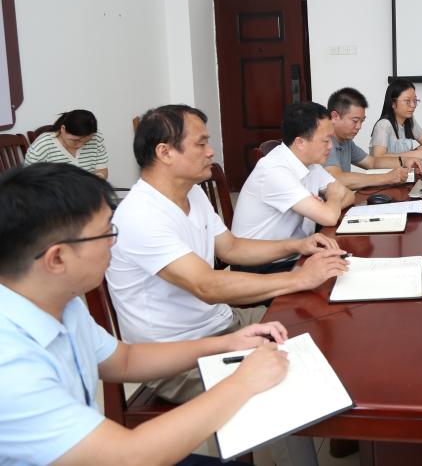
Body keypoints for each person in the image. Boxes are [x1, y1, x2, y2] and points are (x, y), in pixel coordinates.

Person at [0, 162, 290, 466]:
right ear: (57, 258)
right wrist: (243, 382)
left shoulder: (60, 302)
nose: (114, 241)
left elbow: (124, 360)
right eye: (106, 233)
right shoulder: (11, 363)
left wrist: (227, 343)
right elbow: (128, 456)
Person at [107, 106, 348, 400]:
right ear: (165, 152)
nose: (211, 151)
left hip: (222, 323)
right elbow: (206, 286)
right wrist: (299, 278)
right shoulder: (141, 215)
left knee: (325, 324)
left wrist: (296, 245)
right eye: (201, 144)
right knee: (296, 379)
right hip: (174, 357)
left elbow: (232, 248)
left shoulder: (192, 192)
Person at [231, 102, 355, 274]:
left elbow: (348, 195)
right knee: (341, 273)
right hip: (261, 264)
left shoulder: (311, 164)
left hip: (295, 252)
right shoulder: (274, 170)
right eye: (326, 140)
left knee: (348, 263)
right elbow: (329, 217)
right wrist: (332, 198)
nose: (330, 146)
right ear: (300, 142)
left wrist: (328, 205)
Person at [324, 87, 420, 189]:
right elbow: (337, 179)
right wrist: (387, 177)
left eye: (362, 121)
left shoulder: (346, 140)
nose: (359, 127)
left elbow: (372, 162)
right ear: (335, 116)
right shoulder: (324, 141)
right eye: (355, 121)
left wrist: (404, 161)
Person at [24, 109, 110, 179]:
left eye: (87, 141)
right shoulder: (41, 146)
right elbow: (29, 183)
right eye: (76, 140)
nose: (80, 145)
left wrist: (98, 179)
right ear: (63, 129)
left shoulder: (96, 138)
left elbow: (102, 169)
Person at [369, 79, 422, 161]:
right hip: (388, 169)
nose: (413, 105)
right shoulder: (384, 125)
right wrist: (414, 154)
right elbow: (378, 157)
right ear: (393, 103)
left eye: (415, 101)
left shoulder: (409, 120)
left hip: (405, 168)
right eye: (407, 101)